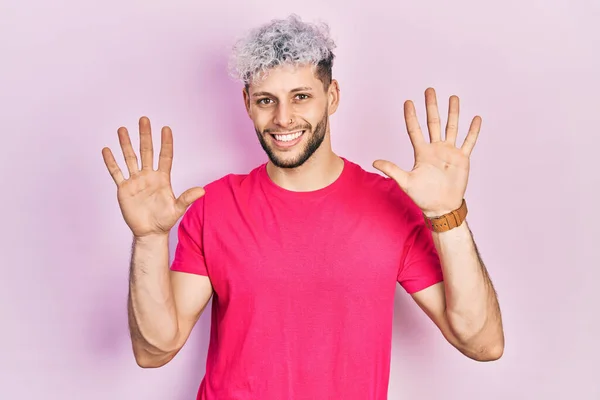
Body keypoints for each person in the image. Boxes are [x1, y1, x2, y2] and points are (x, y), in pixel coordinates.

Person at [101, 14, 504, 400]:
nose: (283, 118)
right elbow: (155, 350)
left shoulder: (390, 205)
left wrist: (447, 218)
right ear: (247, 103)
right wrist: (150, 238)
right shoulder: (215, 206)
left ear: (332, 97)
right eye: (265, 100)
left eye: (301, 96)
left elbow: (482, 343)